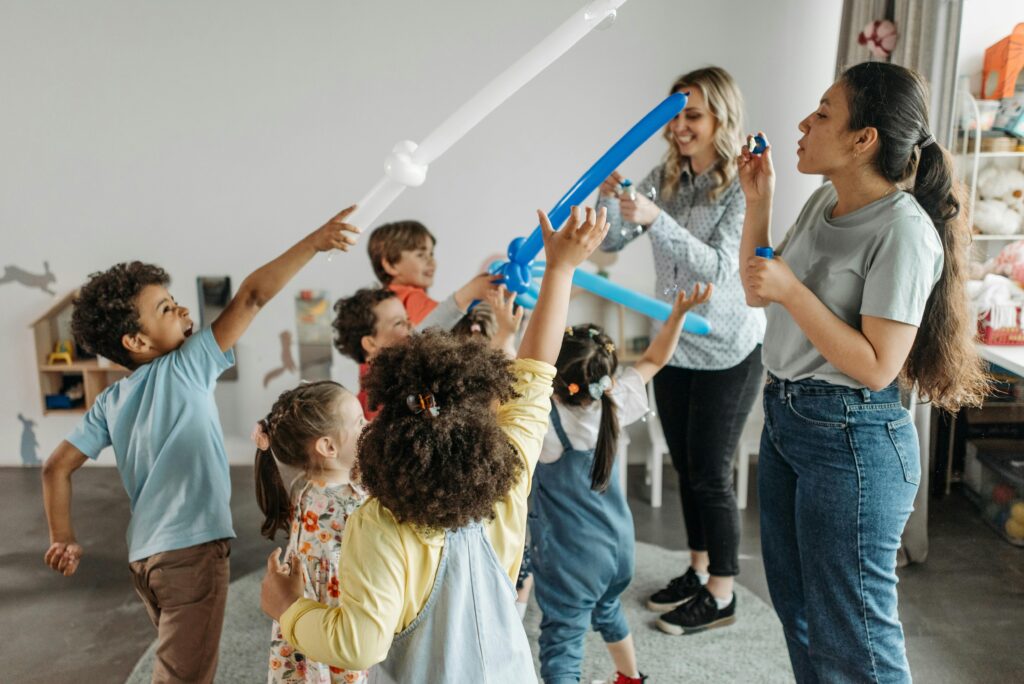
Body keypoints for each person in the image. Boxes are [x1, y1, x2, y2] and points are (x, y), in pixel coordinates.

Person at [259, 206, 609, 683]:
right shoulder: (507, 476)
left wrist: (289, 608)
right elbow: (534, 377)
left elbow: (359, 645)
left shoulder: (377, 525)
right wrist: (562, 269)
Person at [736, 62, 988, 682]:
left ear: (863, 139)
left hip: (853, 437)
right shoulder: (826, 199)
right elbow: (758, 291)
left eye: (823, 113)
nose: (804, 122)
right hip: (787, 419)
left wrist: (794, 292)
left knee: (856, 638)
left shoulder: (904, 230)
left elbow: (879, 367)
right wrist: (759, 204)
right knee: (798, 615)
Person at [40, 206, 362, 683]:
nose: (184, 311)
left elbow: (55, 468)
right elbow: (251, 298)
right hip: (190, 554)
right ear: (137, 340)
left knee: (183, 665)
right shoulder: (186, 366)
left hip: (145, 559)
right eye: (167, 309)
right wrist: (313, 242)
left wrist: (62, 537)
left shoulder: (111, 399)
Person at [598, 66, 765, 633]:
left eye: (691, 116)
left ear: (720, 117)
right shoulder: (664, 176)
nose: (680, 128)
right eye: (674, 117)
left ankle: (723, 593)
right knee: (686, 467)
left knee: (712, 473)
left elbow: (719, 269)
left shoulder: (741, 187)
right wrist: (613, 203)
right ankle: (698, 570)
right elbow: (619, 239)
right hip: (675, 343)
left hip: (728, 347)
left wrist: (656, 219)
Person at [531, 284, 711, 684]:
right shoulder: (615, 400)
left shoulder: (544, 423)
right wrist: (677, 314)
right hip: (619, 551)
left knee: (561, 642)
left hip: (571, 559)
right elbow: (655, 358)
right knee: (608, 608)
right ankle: (631, 678)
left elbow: (517, 370)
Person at [254, 381, 369, 683]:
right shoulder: (354, 500)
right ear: (328, 447)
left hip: (300, 603)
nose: (367, 425)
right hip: (335, 606)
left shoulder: (301, 485)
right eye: (359, 422)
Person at [331, 288, 413, 419]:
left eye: (407, 319)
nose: (411, 326)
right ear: (370, 343)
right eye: (399, 323)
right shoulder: (380, 401)